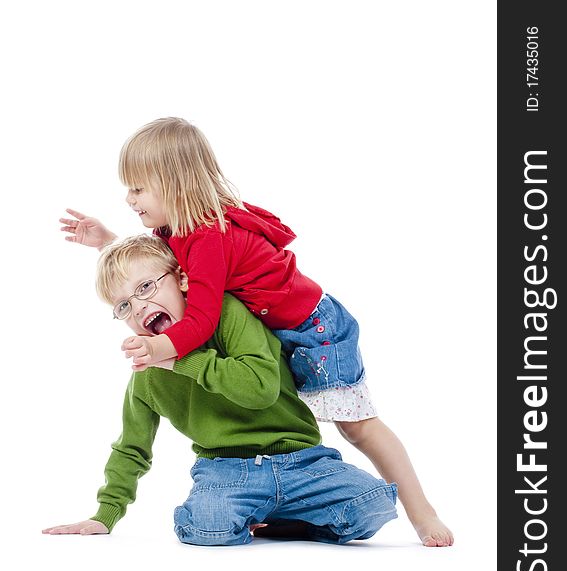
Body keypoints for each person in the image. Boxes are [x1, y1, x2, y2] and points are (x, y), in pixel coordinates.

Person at [59, 117, 453, 546]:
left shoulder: (207, 237)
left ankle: (421, 511)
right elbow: (153, 273)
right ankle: (282, 514)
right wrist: (108, 243)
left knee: (357, 426)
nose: (129, 198)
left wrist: (162, 350)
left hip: (314, 329)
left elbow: (202, 320)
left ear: (173, 183)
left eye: (137, 187)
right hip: (276, 330)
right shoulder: (177, 232)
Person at [43, 235, 398, 544]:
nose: (139, 307)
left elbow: (259, 388)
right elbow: (132, 447)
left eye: (146, 288)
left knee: (376, 505)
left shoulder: (228, 315)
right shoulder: (147, 375)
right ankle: (243, 513)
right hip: (226, 469)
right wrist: (106, 513)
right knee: (209, 527)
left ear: (182, 279)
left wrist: (182, 360)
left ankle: (289, 523)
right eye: (123, 306)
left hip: (302, 461)